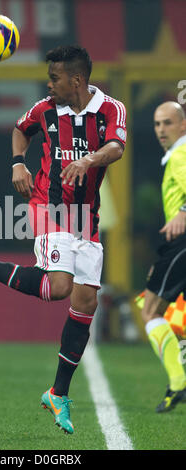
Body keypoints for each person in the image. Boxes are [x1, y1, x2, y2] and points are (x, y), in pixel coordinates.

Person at [0, 45, 126, 434]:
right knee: (59, 287)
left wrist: (88, 160)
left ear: (77, 80)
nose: (49, 84)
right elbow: (19, 129)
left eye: (56, 78)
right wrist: (17, 163)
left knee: (86, 300)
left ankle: (58, 393)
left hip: (86, 217)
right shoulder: (45, 109)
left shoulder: (111, 109)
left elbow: (116, 147)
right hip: (50, 205)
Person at [140, 101, 186, 413]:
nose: (161, 130)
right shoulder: (175, 156)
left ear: (182, 125)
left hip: (181, 243)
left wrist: (183, 212)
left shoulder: (181, 155)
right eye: (157, 124)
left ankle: (178, 382)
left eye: (167, 123)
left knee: (150, 308)